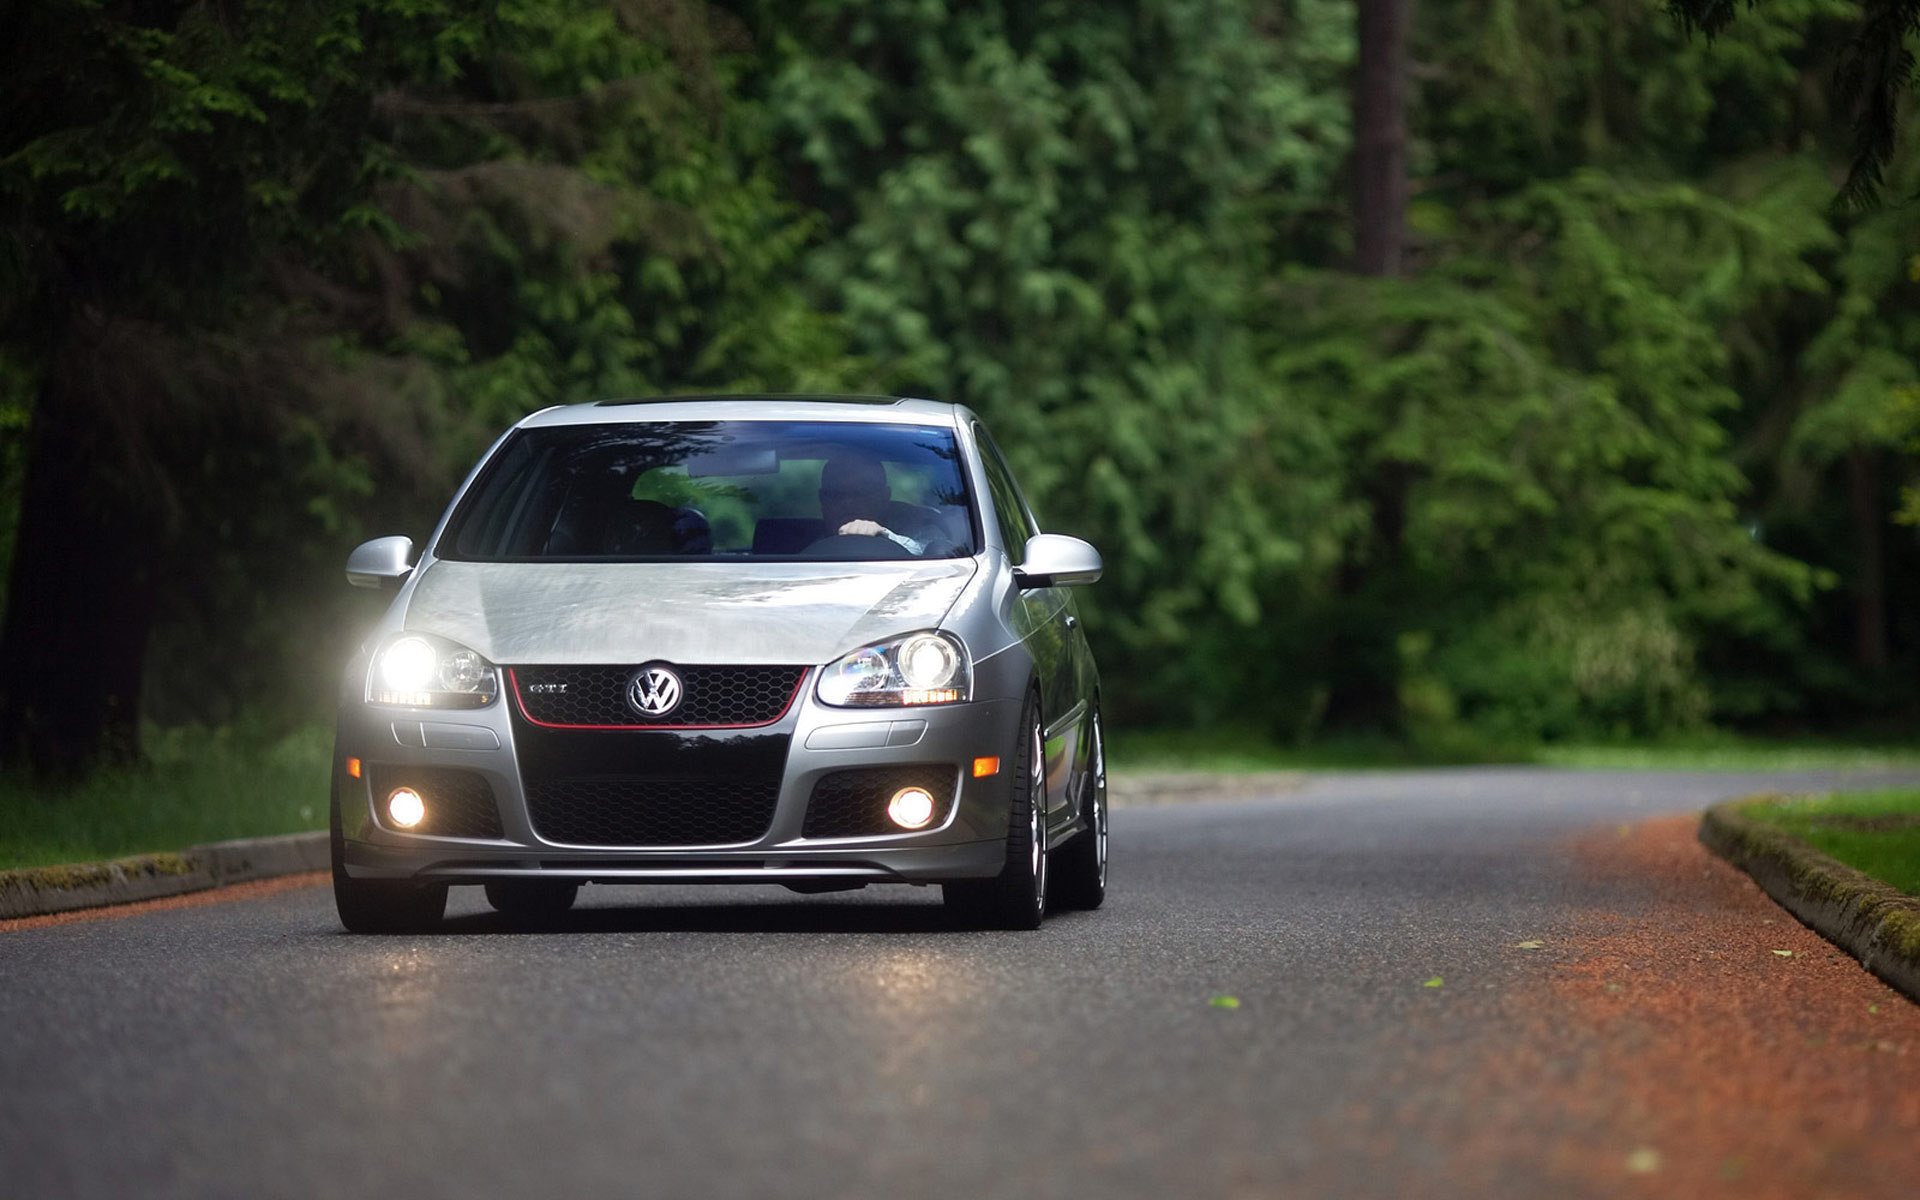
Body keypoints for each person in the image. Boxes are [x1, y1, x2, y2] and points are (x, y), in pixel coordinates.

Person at [818, 452, 932, 554]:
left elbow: (932, 549)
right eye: (837, 494)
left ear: (884, 497)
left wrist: (884, 535)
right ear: (823, 499)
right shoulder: (802, 543)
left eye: (860, 492)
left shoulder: (917, 524)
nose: (848, 502)